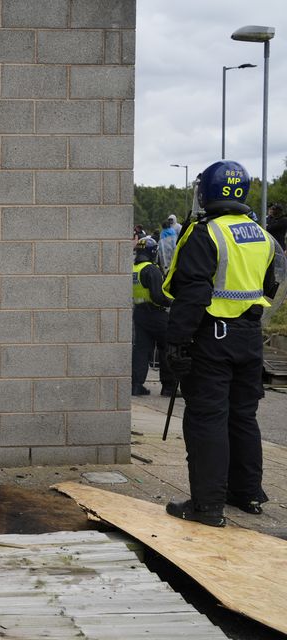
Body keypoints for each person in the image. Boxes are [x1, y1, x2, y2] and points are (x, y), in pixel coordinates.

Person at [162, 160, 283, 527]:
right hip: (249, 337)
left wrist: (177, 341)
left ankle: (207, 505)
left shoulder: (206, 233)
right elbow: (272, 285)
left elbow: (194, 292)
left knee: (207, 419)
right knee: (243, 417)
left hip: (212, 335)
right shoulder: (261, 234)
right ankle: (247, 494)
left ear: (208, 192)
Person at [131, 236, 174, 396]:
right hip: (156, 314)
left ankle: (136, 385)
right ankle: (168, 386)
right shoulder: (151, 269)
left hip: (140, 313)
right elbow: (157, 295)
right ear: (153, 252)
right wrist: (172, 302)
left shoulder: (134, 268)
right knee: (166, 348)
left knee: (141, 350)